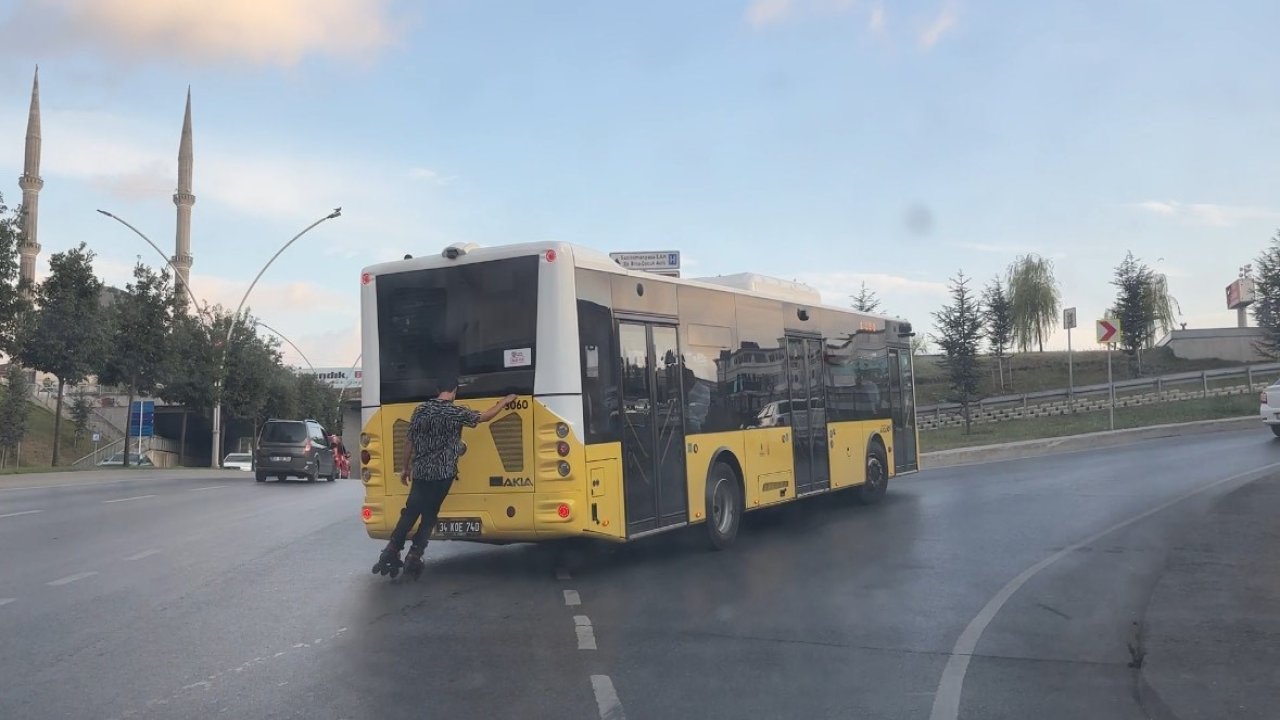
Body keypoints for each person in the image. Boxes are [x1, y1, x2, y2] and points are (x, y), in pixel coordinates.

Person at [373, 375, 515, 580]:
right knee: (430, 514)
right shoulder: (454, 412)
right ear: (455, 390)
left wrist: (405, 468)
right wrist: (503, 402)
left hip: (421, 471)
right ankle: (415, 554)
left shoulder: (420, 410)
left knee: (411, 510)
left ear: (436, 389)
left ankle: (392, 548)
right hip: (443, 473)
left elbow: (409, 442)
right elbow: (484, 417)